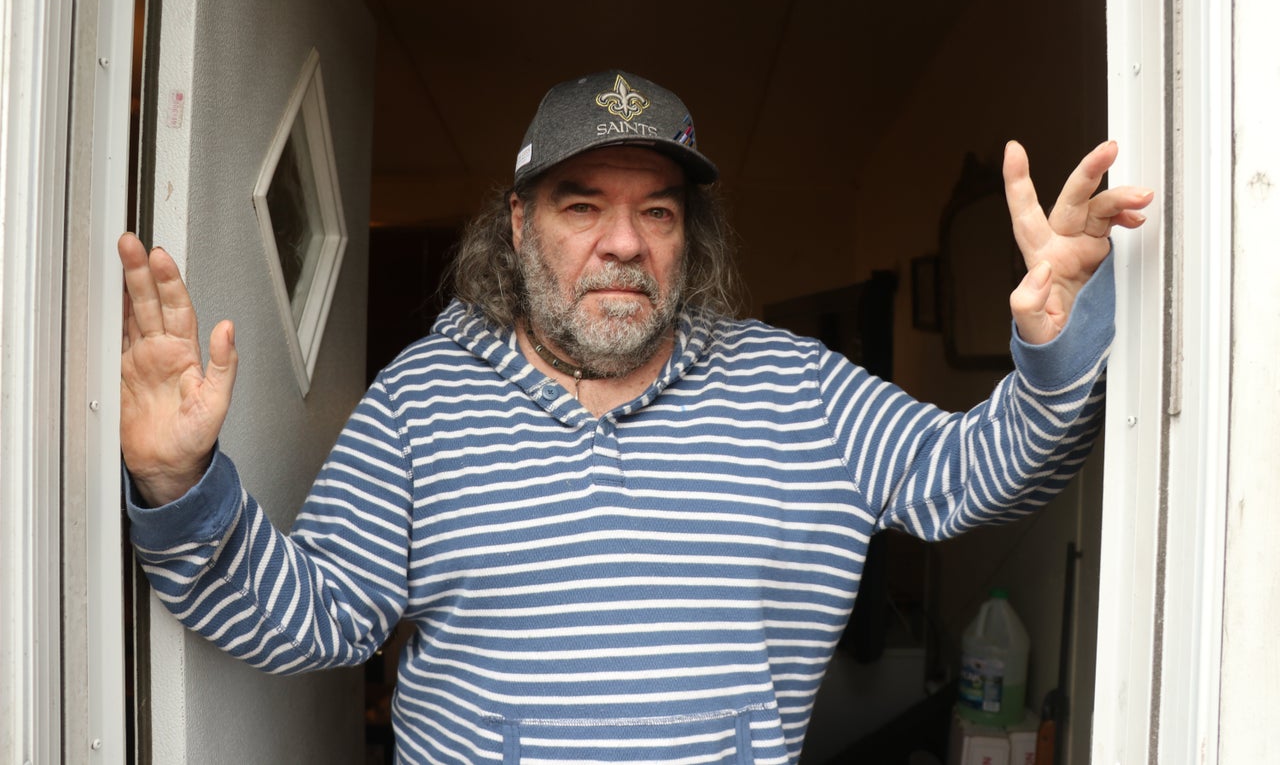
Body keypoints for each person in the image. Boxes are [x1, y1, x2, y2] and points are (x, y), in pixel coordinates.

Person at [119, 69, 1152, 764]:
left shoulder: (795, 388)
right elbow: (315, 615)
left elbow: (978, 471)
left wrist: (1054, 342)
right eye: (581, 204)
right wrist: (178, 483)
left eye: (656, 209)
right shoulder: (418, 403)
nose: (623, 241)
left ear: (685, 237)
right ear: (519, 224)